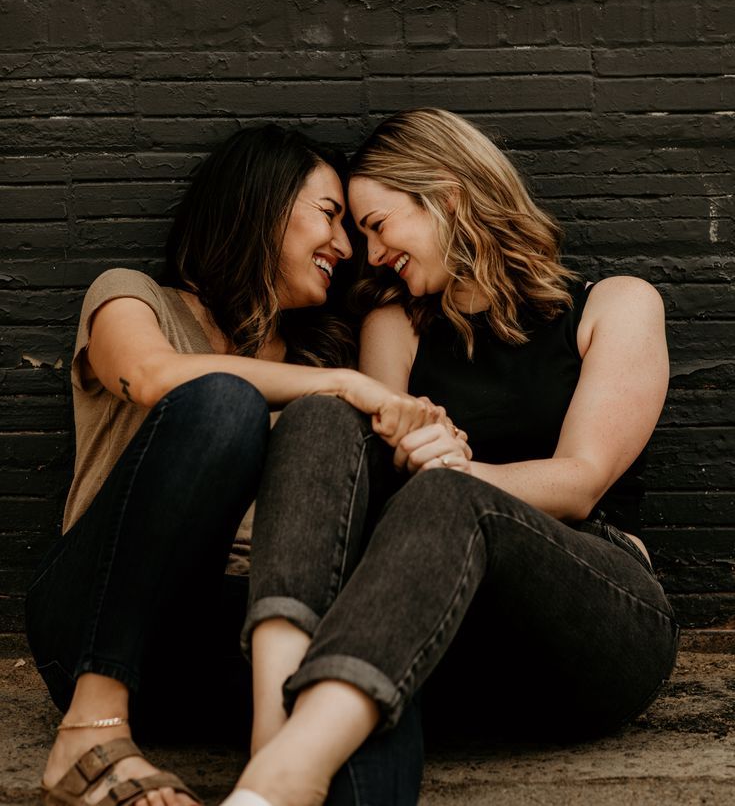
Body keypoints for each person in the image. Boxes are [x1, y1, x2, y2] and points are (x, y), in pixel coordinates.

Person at [221, 109, 679, 806]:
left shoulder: (613, 305)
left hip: (593, 622)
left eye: (377, 224)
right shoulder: (393, 325)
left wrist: (456, 473)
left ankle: (287, 776)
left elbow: (580, 480)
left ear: (447, 194)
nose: (369, 255)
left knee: (446, 492)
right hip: (434, 630)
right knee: (322, 413)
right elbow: (374, 478)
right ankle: (273, 737)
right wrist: (411, 454)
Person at [26, 124, 435, 806]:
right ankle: (91, 729)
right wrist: (353, 385)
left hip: (233, 638)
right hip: (100, 616)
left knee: (362, 674)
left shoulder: (316, 365)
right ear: (260, 201)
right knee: (223, 403)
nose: (343, 246)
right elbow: (154, 377)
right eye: (329, 215)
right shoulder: (134, 296)